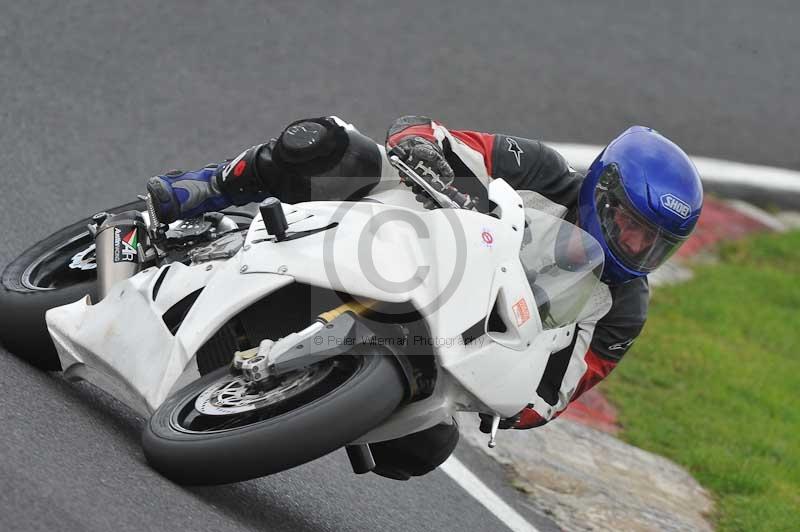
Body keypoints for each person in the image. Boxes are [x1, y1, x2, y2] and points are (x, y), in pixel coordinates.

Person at [146, 115, 703, 480]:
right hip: (402, 235)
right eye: (631, 225)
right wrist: (429, 158)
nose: (638, 246)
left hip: (449, 332)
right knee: (331, 144)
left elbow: (555, 394)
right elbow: (425, 132)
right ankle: (208, 186)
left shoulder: (624, 307)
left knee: (423, 446)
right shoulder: (542, 169)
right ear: (603, 190)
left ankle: (301, 398)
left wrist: (508, 399)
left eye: (656, 243)